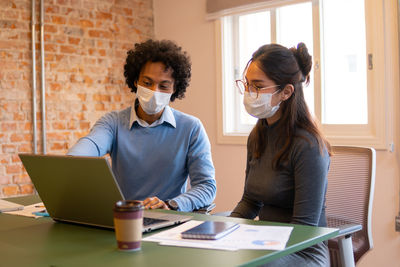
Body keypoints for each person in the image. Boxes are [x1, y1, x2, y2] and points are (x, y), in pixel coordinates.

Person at [67, 39, 216, 212]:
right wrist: (69, 164)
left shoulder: (191, 128)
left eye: (164, 86)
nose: (154, 91)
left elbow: (207, 187)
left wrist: (171, 204)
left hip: (168, 222)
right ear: (136, 81)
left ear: (175, 88)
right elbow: (88, 147)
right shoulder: (113, 123)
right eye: (147, 83)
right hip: (122, 219)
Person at [230, 43, 331, 266]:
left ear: (286, 92)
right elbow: (250, 201)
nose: (249, 93)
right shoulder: (257, 136)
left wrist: (255, 248)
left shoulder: (308, 145)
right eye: (247, 84)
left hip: (303, 251)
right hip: (265, 244)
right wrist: (222, 232)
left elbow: (303, 229)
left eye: (257, 86)